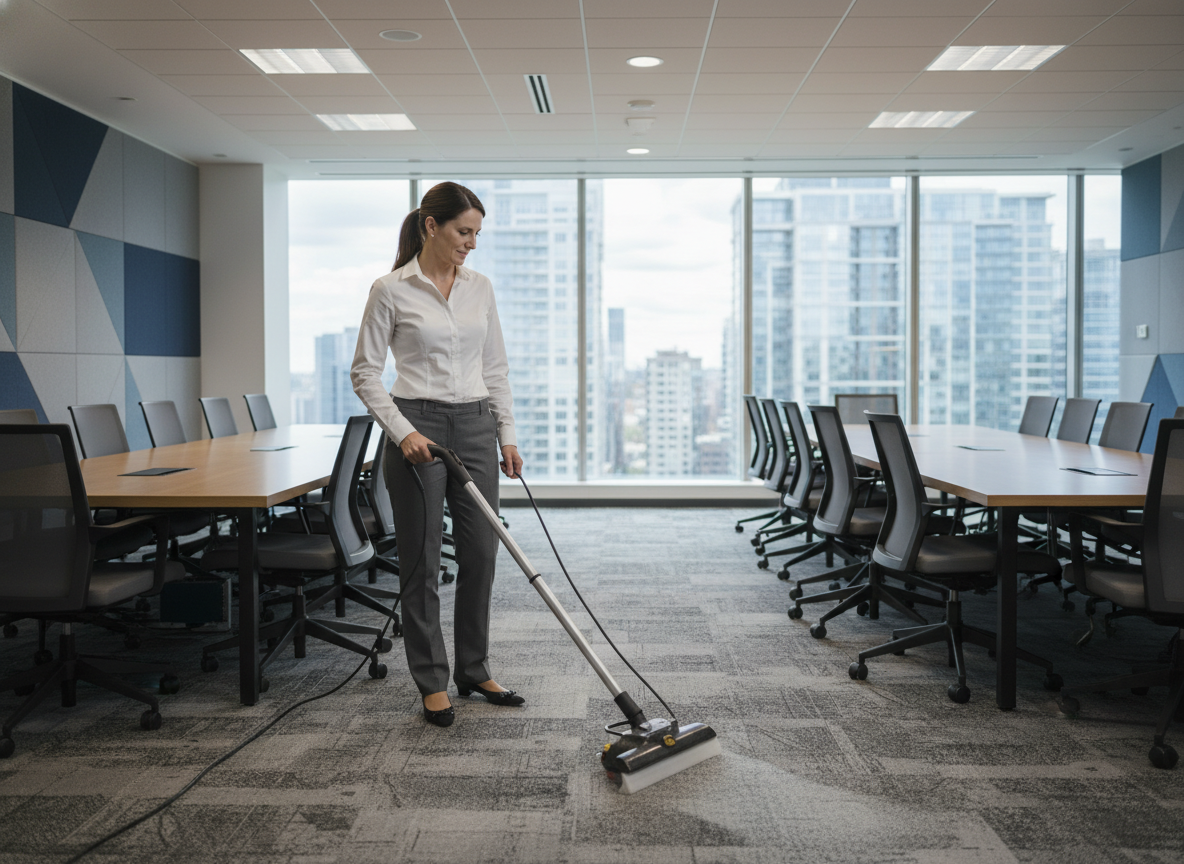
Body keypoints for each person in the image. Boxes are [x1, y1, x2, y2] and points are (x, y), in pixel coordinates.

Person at [351, 181, 524, 728]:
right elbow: (364, 372)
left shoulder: (480, 287)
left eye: (476, 233)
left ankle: (474, 668)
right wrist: (401, 431)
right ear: (432, 226)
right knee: (422, 560)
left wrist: (507, 434)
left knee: (481, 554)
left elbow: (494, 367)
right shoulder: (390, 289)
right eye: (463, 231)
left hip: (474, 425)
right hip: (416, 427)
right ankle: (432, 680)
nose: (471, 243)